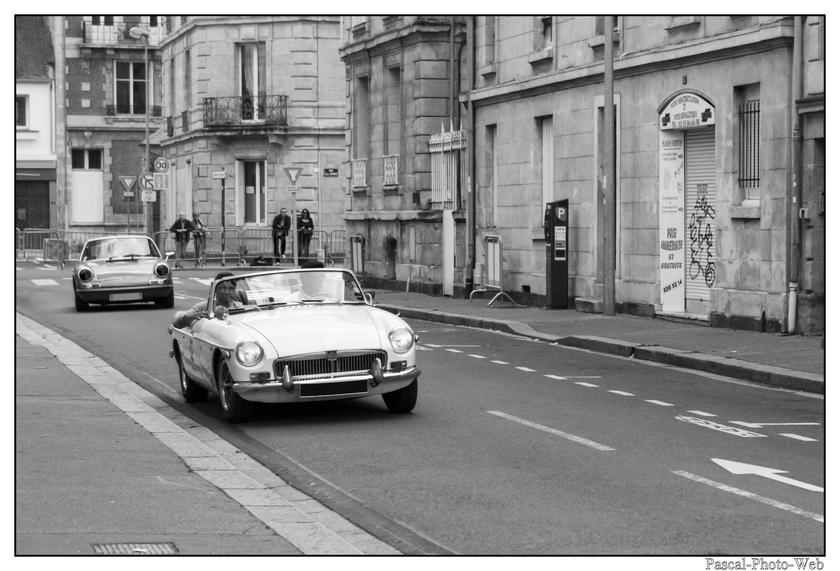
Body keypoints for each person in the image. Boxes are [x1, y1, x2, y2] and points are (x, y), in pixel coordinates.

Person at [172, 272, 239, 329]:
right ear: (215, 289)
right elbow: (175, 324)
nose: (227, 292)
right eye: (222, 288)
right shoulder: (204, 307)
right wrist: (190, 317)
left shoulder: (241, 307)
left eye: (231, 288)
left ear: (235, 290)